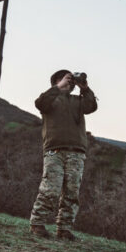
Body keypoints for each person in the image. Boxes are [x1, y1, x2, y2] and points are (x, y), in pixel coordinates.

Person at [29, 69, 98, 241]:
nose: (69, 82)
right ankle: (37, 223)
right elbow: (40, 103)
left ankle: (64, 229)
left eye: (70, 80)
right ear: (56, 81)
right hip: (54, 151)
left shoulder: (78, 100)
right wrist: (58, 88)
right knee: (50, 189)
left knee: (71, 192)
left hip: (76, 152)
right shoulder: (50, 99)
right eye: (64, 79)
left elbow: (91, 107)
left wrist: (85, 88)